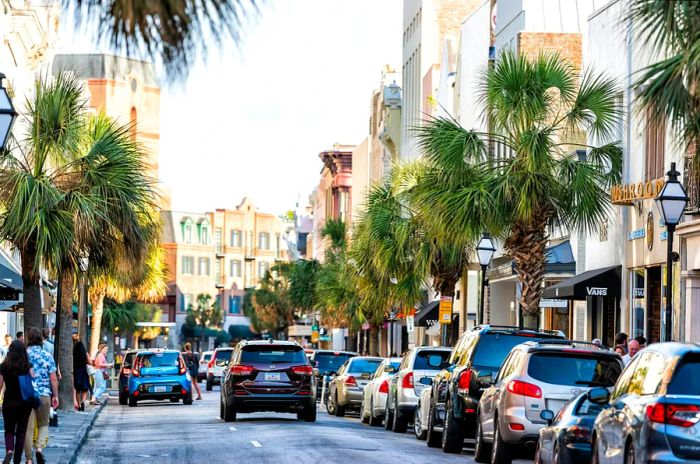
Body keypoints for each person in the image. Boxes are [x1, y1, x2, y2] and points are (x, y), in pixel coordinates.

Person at [23, 328, 58, 464]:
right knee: (43, 424)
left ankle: (29, 459)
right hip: (44, 395)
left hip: (27, 396)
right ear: (41, 339)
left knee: (28, 427)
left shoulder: (24, 355)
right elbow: (53, 379)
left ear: (28, 339)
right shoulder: (47, 356)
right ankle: (39, 449)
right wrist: (55, 395)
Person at [0, 340, 32, 464]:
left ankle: (9, 450)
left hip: (9, 401)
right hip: (25, 402)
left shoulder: (4, 366)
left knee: (9, 429)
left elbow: (0, 385)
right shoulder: (27, 366)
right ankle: (17, 460)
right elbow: (32, 382)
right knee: (21, 431)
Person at [72, 332, 91, 411]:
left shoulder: (73, 351)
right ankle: (83, 401)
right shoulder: (85, 352)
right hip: (83, 370)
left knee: (78, 389)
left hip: (76, 370)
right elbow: (90, 362)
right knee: (84, 388)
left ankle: (79, 404)